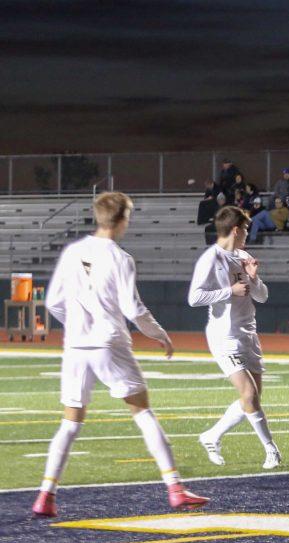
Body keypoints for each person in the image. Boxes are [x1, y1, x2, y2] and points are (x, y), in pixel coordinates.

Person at [32, 192, 208, 517]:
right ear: (123, 219)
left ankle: (46, 495)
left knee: (69, 423)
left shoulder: (73, 251)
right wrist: (160, 334)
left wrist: (77, 326)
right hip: (109, 343)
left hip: (75, 347)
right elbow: (132, 308)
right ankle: (175, 488)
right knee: (142, 412)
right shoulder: (120, 258)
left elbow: (53, 302)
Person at [189, 206, 281, 470]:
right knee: (249, 393)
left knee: (252, 398)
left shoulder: (243, 256)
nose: (248, 235)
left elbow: (262, 296)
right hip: (223, 336)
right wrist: (229, 291)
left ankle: (211, 436)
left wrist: (253, 279)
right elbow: (194, 298)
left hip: (247, 333)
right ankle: (270, 449)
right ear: (236, 230)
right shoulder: (211, 259)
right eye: (246, 230)